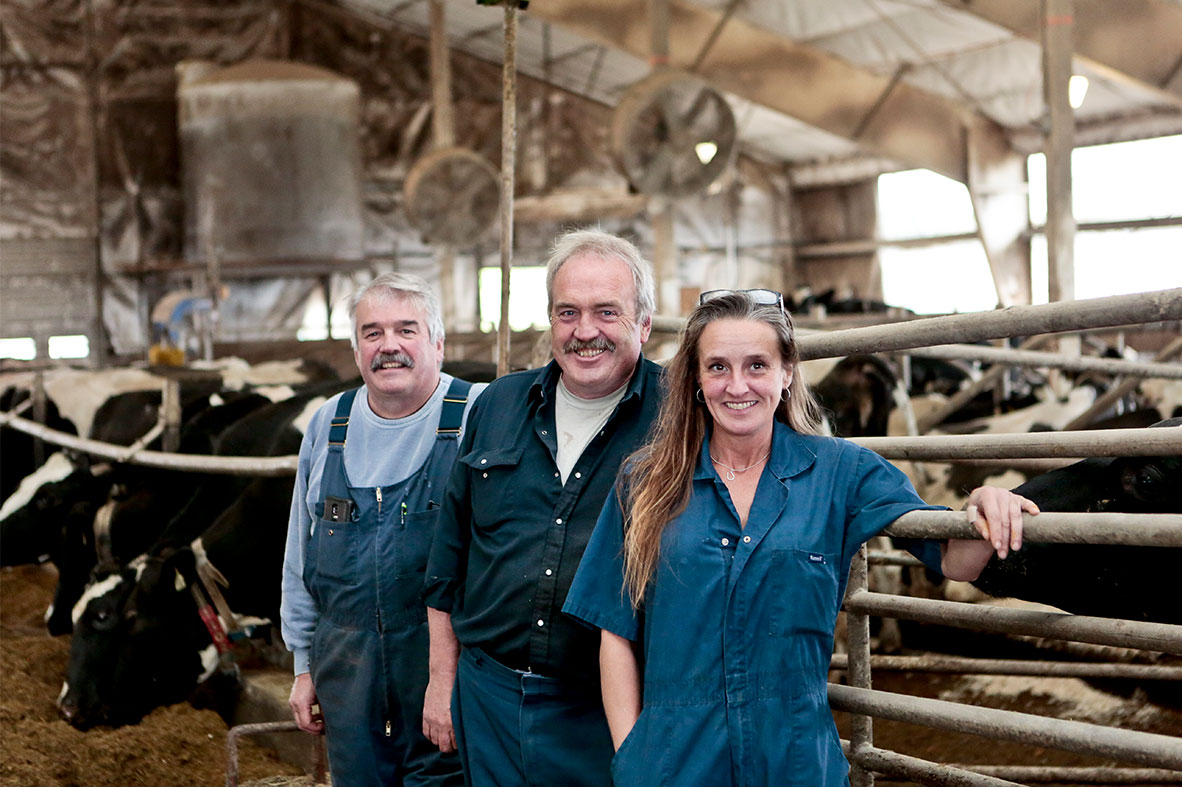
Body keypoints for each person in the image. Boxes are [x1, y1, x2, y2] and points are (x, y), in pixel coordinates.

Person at [563, 290, 1038, 786]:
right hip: (674, 765)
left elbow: (955, 561)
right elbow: (615, 631)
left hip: (795, 762)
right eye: (718, 367)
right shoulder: (645, 481)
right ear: (697, 380)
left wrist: (986, 505)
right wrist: (632, 758)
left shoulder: (841, 472)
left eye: (757, 365)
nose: (737, 385)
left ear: (787, 372)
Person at [422, 229, 663, 785]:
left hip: (612, 706)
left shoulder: (679, 416)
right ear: (550, 321)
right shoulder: (499, 402)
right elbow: (448, 552)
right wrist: (442, 678)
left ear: (644, 325)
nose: (585, 332)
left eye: (607, 312)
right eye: (567, 312)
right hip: (490, 697)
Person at [280, 272, 485, 787]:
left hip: (446, 662)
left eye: (406, 330)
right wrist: (303, 666)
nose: (388, 346)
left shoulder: (477, 414)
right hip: (346, 666)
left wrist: (452, 676)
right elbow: (298, 556)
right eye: (372, 333)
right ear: (356, 351)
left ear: (438, 343)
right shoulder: (329, 423)